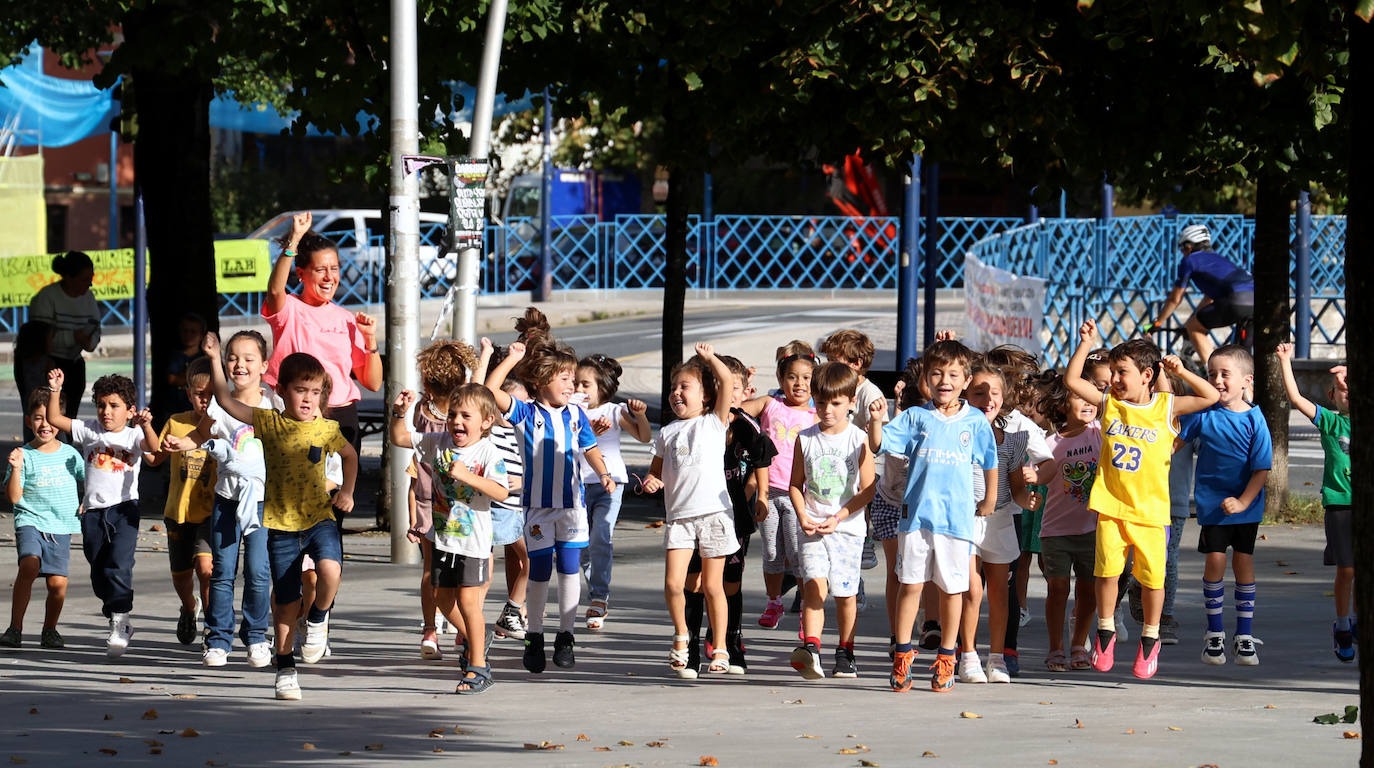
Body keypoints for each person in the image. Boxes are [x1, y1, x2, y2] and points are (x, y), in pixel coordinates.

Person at [204, 335, 358, 701]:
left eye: (316, 392)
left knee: (330, 570)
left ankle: (318, 617)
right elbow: (225, 400)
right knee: (286, 599)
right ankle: (285, 666)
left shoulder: (327, 429)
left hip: (319, 518)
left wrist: (347, 491)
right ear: (282, 391)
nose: (308, 399)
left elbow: (350, 457)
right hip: (281, 527)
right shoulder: (269, 423)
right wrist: (213, 357)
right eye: (301, 390)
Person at [1062, 319, 1218, 679]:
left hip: (1150, 512)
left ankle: (1150, 637)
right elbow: (1072, 382)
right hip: (1111, 505)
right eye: (1113, 372)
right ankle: (1105, 631)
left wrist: (1178, 370)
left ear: (1147, 375)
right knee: (1107, 572)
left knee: (1151, 579)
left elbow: (1211, 397)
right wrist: (1085, 343)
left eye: (1122, 372)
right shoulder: (1108, 404)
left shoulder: (1166, 407)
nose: (1114, 379)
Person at [868, 339, 997, 693]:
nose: (945, 380)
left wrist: (990, 499)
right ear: (925, 378)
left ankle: (946, 657)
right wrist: (876, 421)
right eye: (937, 373)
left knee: (951, 590)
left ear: (966, 379)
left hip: (956, 522)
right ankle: (903, 653)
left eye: (953, 374)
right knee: (911, 585)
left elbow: (990, 461)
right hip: (916, 518)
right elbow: (879, 444)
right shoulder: (914, 417)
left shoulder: (976, 421)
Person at [484, 329, 616, 674]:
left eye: (573, 378)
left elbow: (590, 448)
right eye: (564, 378)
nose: (571, 385)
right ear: (542, 381)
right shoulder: (525, 413)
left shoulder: (575, 415)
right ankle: (535, 635)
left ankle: (566, 636)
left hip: (572, 507)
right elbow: (490, 392)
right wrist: (512, 358)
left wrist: (603, 472)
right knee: (540, 573)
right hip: (538, 509)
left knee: (570, 571)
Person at [161, 330, 277, 668]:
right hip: (226, 499)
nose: (239, 364)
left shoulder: (274, 403)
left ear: (264, 366)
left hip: (260, 500)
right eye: (233, 358)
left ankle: (256, 636)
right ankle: (218, 639)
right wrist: (182, 444)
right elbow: (199, 434)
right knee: (223, 571)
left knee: (258, 571)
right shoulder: (218, 405)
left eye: (248, 359)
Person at [390, 383, 511, 694]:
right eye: (453, 415)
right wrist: (398, 414)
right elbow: (400, 437)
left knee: (469, 602)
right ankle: (476, 638)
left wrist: (467, 475)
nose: (457, 421)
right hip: (444, 539)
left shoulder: (488, 452)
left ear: (486, 421)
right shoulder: (438, 441)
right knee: (444, 600)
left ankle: (478, 668)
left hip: (474, 544)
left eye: (466, 416)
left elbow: (501, 491)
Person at [44, 369, 157, 656]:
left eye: (115, 406)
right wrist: (55, 389)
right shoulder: (90, 429)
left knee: (120, 563)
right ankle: (114, 612)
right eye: (102, 405)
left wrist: (147, 426)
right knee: (98, 570)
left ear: (130, 411)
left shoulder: (133, 436)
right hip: (93, 512)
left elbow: (156, 454)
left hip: (124, 510)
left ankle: (120, 620)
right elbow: (55, 419)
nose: (106, 412)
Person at [642, 344, 739, 678]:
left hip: (714, 514)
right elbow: (656, 473)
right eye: (673, 388)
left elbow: (726, 380)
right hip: (680, 517)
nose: (676, 393)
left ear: (706, 396)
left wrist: (710, 359)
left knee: (713, 586)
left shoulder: (713, 423)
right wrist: (652, 482)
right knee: (673, 583)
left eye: (685, 387)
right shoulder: (666, 433)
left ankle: (721, 647)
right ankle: (681, 634)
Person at [1177, 345, 1271, 667]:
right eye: (1211, 374)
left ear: (1246, 381)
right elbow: (1174, 439)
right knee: (1215, 562)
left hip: (1246, 509)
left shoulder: (1256, 420)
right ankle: (1214, 633)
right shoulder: (1204, 413)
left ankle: (1244, 635)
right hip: (1213, 507)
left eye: (1224, 374)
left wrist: (1244, 501)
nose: (1216, 380)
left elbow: (1262, 469)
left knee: (1243, 564)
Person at [262, 211, 382, 453]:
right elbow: (275, 292)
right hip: (297, 412)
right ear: (301, 274)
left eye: (334, 268)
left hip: (341, 415)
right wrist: (294, 239)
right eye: (320, 270)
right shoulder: (289, 309)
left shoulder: (346, 318)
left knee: (341, 490)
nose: (329, 277)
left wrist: (370, 340)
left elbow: (373, 382)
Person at [787, 362, 876, 680]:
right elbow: (795, 485)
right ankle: (810, 649)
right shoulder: (805, 438)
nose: (827, 409)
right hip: (812, 527)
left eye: (836, 403)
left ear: (851, 402)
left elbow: (868, 489)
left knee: (845, 593)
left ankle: (846, 651)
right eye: (821, 402)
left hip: (847, 529)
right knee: (813, 586)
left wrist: (839, 517)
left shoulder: (857, 439)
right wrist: (803, 515)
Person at [958, 361, 1038, 684]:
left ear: (1004, 398)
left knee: (1001, 595)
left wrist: (1028, 499)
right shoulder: (957, 435)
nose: (988, 399)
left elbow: (1017, 489)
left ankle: (997, 657)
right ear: (966, 394)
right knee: (972, 590)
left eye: (994, 393)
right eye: (979, 392)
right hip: (964, 520)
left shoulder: (1013, 440)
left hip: (1001, 521)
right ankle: (967, 655)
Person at [1277, 343, 1355, 662]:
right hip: (1339, 505)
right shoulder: (1331, 424)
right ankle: (1341, 625)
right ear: (1331, 397)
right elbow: (1296, 399)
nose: (1346, 393)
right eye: (1339, 391)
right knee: (1347, 570)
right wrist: (1285, 361)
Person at [406, 340, 479, 658]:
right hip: (443, 498)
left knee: (437, 571)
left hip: (438, 497)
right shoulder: (447, 408)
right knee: (455, 572)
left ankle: (434, 629)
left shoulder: (431, 408)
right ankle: (452, 631)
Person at [741, 341, 818, 629]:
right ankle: (774, 601)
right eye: (792, 377)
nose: (799, 383)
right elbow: (734, 409)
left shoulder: (816, 415)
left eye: (806, 377)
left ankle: (806, 609)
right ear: (780, 379)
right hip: (769, 492)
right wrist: (743, 387)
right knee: (772, 554)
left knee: (799, 555)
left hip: (802, 496)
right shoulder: (769, 404)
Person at [0, 388, 84, 649]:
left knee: (57, 583)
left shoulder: (71, 454)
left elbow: (90, 479)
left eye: (50, 418)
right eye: (38, 418)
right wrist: (15, 468)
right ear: (28, 421)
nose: (45, 424)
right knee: (29, 565)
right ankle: (15, 628)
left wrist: (87, 503)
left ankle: (50, 629)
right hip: (30, 521)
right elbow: (14, 498)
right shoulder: (23, 456)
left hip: (60, 524)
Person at [574, 353, 651, 631]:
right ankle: (590, 591)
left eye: (585, 384)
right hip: (576, 485)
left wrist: (640, 415)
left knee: (601, 536)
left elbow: (644, 437)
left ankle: (599, 596)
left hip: (610, 485)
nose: (579, 390)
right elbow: (567, 448)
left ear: (602, 388)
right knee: (580, 543)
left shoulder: (613, 411)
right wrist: (587, 432)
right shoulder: (569, 412)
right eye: (575, 384)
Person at [145, 356, 218, 647]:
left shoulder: (224, 425)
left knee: (206, 569)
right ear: (189, 393)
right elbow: (154, 458)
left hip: (211, 512)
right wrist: (145, 428)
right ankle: (190, 607)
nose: (206, 400)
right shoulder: (176, 423)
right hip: (178, 511)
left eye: (212, 394)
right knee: (181, 577)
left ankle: (213, 628)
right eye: (200, 394)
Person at [1034, 375, 1101, 671]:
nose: (1088, 403)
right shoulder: (1049, 444)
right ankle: (1055, 647)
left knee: (1089, 590)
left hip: (1093, 529)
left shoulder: (1102, 433)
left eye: (1093, 396)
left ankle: (1078, 644)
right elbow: (1035, 476)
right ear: (1062, 405)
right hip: (1056, 531)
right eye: (1079, 397)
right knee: (1058, 589)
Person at [820, 330, 885, 606]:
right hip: (836, 463)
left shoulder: (869, 393)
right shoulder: (834, 387)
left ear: (857, 363)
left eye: (836, 360)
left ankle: (859, 562)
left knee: (853, 528)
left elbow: (876, 441)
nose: (829, 365)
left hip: (863, 462)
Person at [870, 359, 922, 659]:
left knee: (920, 574)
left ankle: (929, 623)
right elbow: (877, 443)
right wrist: (883, 417)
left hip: (922, 507)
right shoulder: (898, 422)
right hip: (891, 504)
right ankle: (896, 635)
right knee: (897, 571)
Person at [1152, 224, 1255, 365]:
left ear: (1188, 247)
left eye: (1182, 249)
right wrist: (1194, 318)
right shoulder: (1218, 259)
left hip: (1234, 300)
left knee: (1194, 327)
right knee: (1243, 353)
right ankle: (1248, 383)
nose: (1182, 253)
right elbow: (1209, 298)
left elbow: (1175, 299)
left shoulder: (1190, 261)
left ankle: (1212, 372)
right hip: (1255, 299)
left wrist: (1158, 322)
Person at [29, 251, 101, 419]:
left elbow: (95, 326)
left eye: (91, 278)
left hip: (74, 362)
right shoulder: (47, 297)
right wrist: (73, 337)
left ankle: (66, 444)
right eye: (84, 279)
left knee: (69, 416)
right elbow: (39, 338)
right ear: (68, 278)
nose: (90, 284)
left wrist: (90, 341)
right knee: (45, 415)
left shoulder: (89, 297)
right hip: (49, 364)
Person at [159, 312, 208, 419]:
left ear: (201, 335)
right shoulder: (174, 356)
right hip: (175, 406)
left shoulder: (206, 357)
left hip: (199, 407)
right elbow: (172, 379)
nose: (188, 335)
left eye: (193, 332)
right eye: (185, 331)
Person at [13, 321, 55, 443]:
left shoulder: (21, 359)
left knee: (31, 438)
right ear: (40, 342)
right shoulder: (44, 362)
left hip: (29, 409)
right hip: (44, 407)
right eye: (50, 340)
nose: (53, 344)